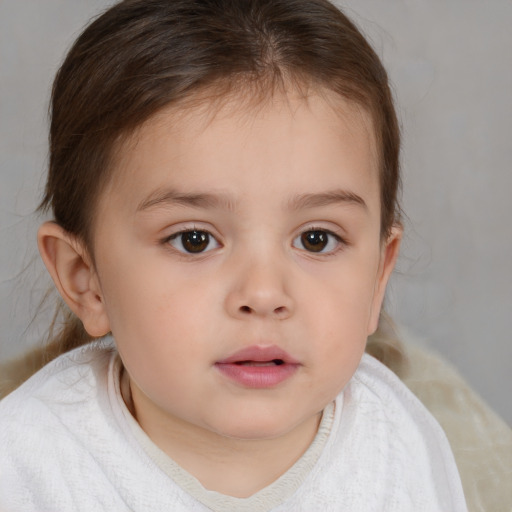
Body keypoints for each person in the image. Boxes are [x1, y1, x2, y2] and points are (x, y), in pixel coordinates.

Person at [0, 0, 467, 510]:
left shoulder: (397, 444)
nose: (264, 294)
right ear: (85, 278)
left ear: (379, 273)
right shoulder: (31, 465)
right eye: (194, 239)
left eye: (316, 239)